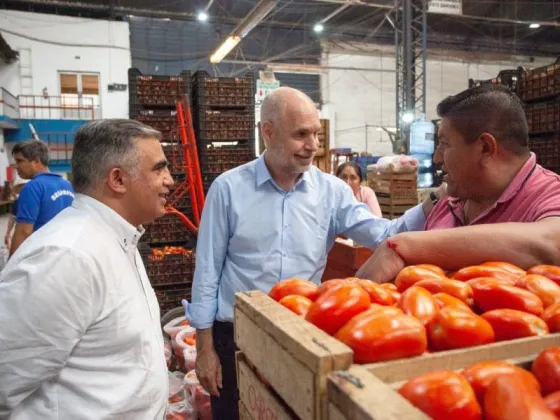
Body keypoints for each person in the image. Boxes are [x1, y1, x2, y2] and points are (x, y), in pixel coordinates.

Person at [185, 87, 445, 420]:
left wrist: (434, 201)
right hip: (234, 334)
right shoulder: (228, 189)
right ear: (268, 131)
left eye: (316, 134)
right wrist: (204, 349)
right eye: (301, 134)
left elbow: (383, 234)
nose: (313, 146)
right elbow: (207, 270)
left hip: (298, 332)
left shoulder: (332, 192)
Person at [0, 119, 173, 419]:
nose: (169, 180)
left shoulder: (118, 239)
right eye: (159, 169)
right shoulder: (66, 257)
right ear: (118, 180)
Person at [356, 84, 560, 283]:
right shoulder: (451, 199)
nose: (436, 157)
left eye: (444, 144)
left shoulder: (549, 195)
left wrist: (405, 246)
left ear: (486, 148)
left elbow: (550, 244)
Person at [9, 140, 74, 256]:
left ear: (36, 161)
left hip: (41, 256)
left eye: (19, 161)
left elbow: (24, 231)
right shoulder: (67, 185)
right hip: (66, 253)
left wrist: (10, 265)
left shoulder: (32, 187)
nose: (15, 166)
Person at [4, 181, 26, 249]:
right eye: (21, 187)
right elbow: (12, 218)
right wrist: (8, 233)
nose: (24, 188)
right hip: (20, 232)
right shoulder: (17, 202)